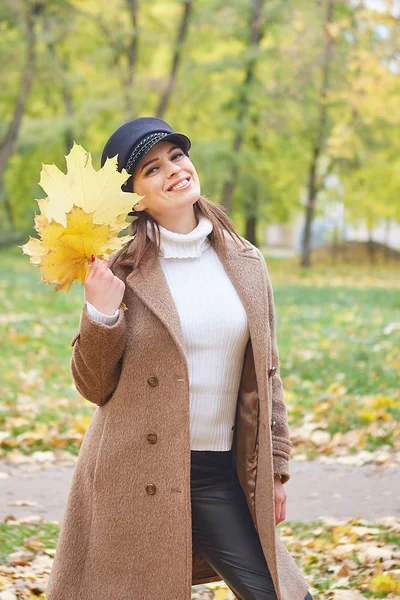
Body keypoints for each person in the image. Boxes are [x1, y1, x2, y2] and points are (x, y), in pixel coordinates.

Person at [45, 117, 313, 600]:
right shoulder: (121, 269)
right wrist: (100, 314)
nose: (173, 170)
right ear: (133, 196)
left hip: (218, 473)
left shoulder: (246, 261)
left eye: (176, 156)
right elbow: (93, 387)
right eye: (152, 168)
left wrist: (276, 467)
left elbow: (268, 373)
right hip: (134, 476)